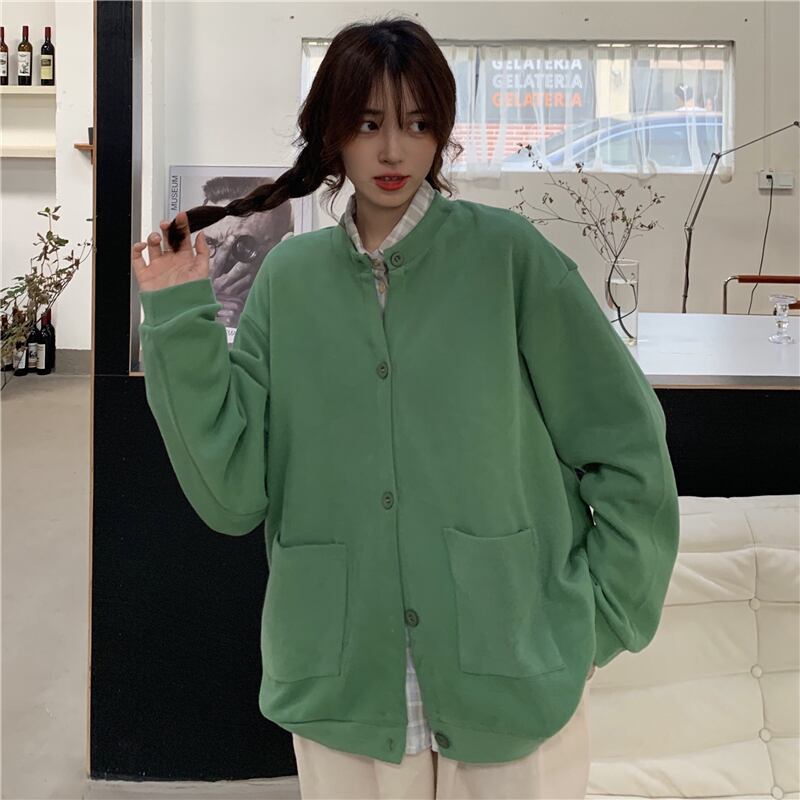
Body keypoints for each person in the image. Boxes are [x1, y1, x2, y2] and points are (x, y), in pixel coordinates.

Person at [131, 15, 680, 800]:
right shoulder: (289, 280)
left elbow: (627, 445)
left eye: (418, 124)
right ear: (333, 134)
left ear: (442, 133)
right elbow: (232, 493)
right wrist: (177, 319)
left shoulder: (507, 257)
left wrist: (601, 619)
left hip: (513, 664)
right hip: (341, 672)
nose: (393, 151)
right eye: (368, 124)